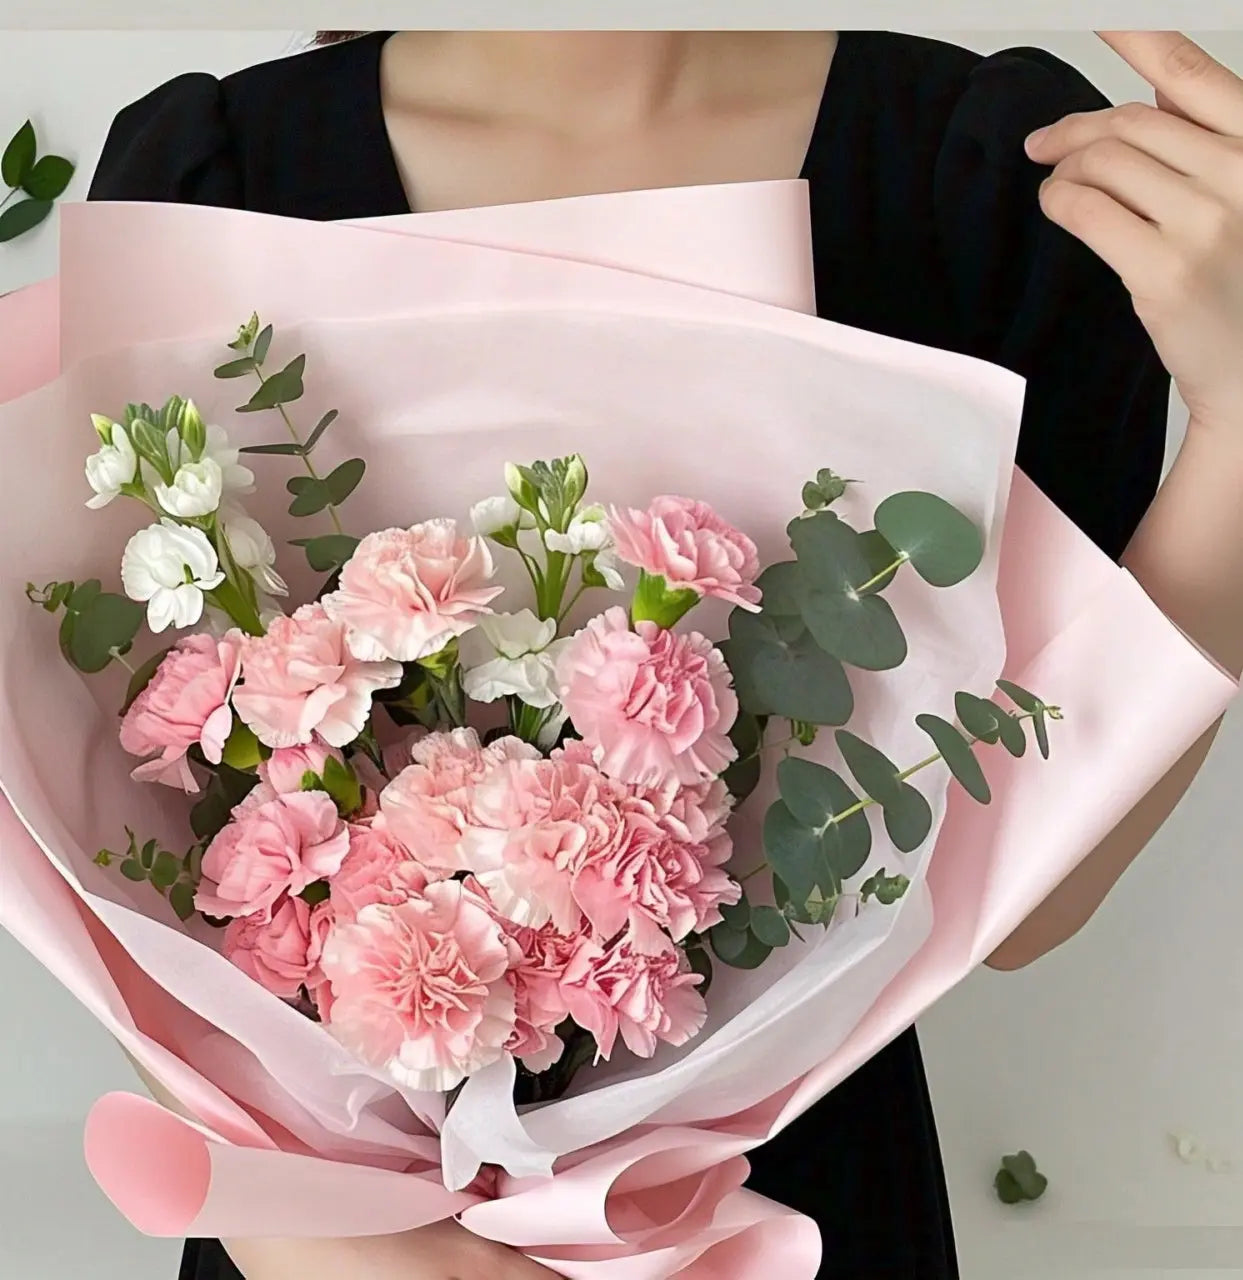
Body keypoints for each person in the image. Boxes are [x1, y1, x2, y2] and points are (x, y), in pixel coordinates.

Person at [87, 28, 1243, 1280]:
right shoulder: (214, 171)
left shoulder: (976, 175)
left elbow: (1022, 899)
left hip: (786, 1204)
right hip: (318, 1228)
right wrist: (297, 1228)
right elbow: (117, 826)